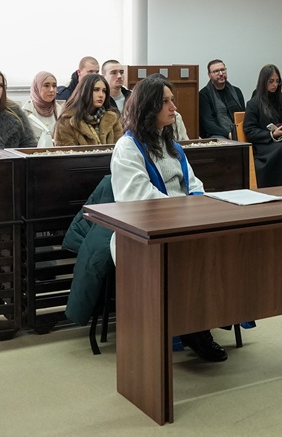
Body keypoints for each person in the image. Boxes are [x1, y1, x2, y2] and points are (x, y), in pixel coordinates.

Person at [110, 75, 226, 363]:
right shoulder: (127, 148)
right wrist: (186, 210)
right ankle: (194, 328)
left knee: (223, 248)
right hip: (140, 234)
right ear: (149, 107)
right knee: (193, 258)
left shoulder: (172, 144)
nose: (174, 107)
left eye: (173, 100)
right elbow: (139, 198)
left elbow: (194, 183)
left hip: (182, 222)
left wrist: (198, 206)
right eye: (166, 101)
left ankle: (207, 317)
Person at [242, 64, 282, 188]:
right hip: (264, 145)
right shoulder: (254, 103)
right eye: (271, 81)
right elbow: (250, 130)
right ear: (263, 82)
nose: (275, 85)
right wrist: (272, 134)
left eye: (277, 81)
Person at [54, 72, 121, 146]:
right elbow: (66, 155)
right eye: (96, 90)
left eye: (104, 91)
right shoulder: (67, 121)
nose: (101, 95)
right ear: (84, 91)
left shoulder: (112, 118)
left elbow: (120, 151)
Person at [198, 58, 245, 139]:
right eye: (216, 71)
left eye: (223, 70)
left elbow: (243, 115)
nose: (220, 73)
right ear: (209, 75)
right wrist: (228, 134)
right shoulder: (203, 95)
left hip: (238, 130)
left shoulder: (236, 91)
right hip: (216, 134)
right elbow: (208, 123)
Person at [22, 71, 59, 147]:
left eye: (54, 86)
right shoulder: (25, 112)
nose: (52, 89)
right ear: (37, 88)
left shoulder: (61, 111)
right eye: (46, 85)